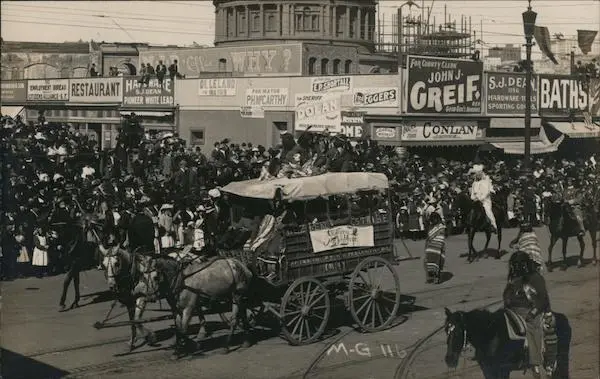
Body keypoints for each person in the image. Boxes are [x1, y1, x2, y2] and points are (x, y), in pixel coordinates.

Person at [503, 251, 557, 377]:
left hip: (535, 310)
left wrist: (532, 313)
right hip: (514, 310)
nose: (517, 267)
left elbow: (543, 299)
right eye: (514, 265)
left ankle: (535, 363)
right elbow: (507, 295)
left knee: (532, 327)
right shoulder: (513, 278)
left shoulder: (536, 277)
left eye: (520, 264)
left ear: (526, 264)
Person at [469, 165, 497, 233]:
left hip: (485, 201)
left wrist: (481, 199)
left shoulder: (485, 182)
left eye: (479, 174)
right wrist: (473, 198)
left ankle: (493, 225)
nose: (478, 175)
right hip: (476, 200)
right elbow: (472, 193)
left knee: (487, 211)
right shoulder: (474, 183)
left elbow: (487, 192)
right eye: (477, 174)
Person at [423, 212, 446, 284]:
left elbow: (441, 237)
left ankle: (437, 278)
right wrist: (426, 246)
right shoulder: (431, 226)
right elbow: (428, 237)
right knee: (427, 262)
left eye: (435, 219)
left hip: (438, 247)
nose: (433, 221)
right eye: (432, 219)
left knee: (437, 262)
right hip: (430, 248)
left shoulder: (441, 227)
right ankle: (430, 277)